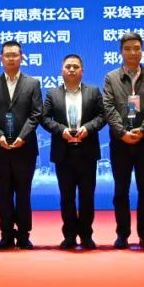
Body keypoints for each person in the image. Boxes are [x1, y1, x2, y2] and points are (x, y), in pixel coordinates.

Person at [102, 33, 144, 250]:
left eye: (136, 48)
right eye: (128, 48)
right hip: (120, 143)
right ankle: (122, 234)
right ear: (121, 51)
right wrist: (122, 132)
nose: (132, 52)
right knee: (121, 191)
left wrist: (143, 129)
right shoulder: (111, 78)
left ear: (142, 50)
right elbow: (108, 107)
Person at [41, 54, 106, 250]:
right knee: (66, 197)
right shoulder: (53, 94)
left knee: (87, 197)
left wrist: (89, 128)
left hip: (87, 151)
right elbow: (44, 118)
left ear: (82, 71)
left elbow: (103, 116)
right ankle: (69, 236)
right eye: (68, 66)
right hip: (64, 152)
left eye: (75, 66)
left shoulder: (93, 92)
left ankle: (86, 235)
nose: (71, 69)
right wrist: (61, 130)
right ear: (62, 70)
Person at [0, 40, 43, 250]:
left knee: (24, 193)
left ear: (21, 57)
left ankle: (24, 235)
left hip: (25, 148)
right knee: (4, 193)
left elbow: (36, 114)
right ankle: (6, 234)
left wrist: (22, 137)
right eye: (7, 55)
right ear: (1, 58)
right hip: (0, 147)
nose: (11, 58)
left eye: (15, 55)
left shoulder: (32, 83)